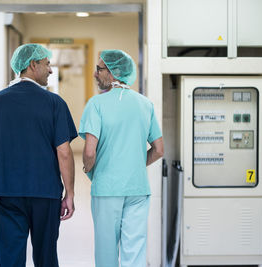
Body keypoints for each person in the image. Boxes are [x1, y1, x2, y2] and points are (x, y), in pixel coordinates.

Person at [0, 43, 77, 267]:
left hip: (9, 192)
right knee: (46, 256)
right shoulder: (54, 103)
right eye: (47, 64)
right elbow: (64, 152)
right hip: (45, 192)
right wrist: (70, 193)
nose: (50, 70)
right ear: (32, 65)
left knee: (10, 257)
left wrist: (2, 152)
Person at [79, 49, 164, 267]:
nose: (95, 74)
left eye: (99, 69)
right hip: (137, 188)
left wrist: (89, 170)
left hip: (107, 189)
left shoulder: (96, 104)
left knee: (106, 250)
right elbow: (159, 149)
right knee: (134, 249)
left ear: (113, 72)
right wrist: (134, 165)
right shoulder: (145, 104)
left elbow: (89, 152)